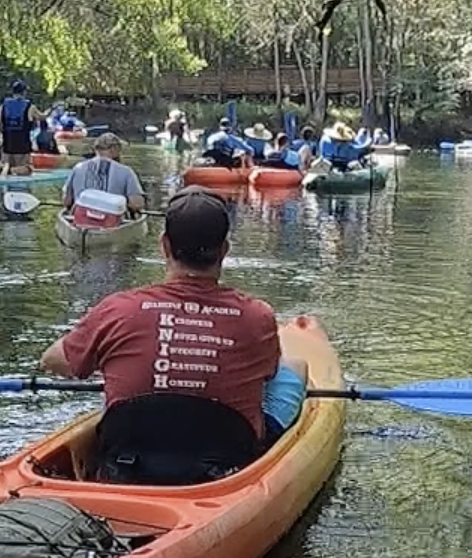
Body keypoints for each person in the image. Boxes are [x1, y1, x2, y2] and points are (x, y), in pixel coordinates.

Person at [40, 187, 307, 484]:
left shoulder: (117, 309)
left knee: (120, 382)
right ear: (225, 249)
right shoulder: (258, 317)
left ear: (164, 245)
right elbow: (268, 375)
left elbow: (53, 362)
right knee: (294, 368)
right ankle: (270, 451)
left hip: (129, 458)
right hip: (225, 462)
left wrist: (109, 358)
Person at [62, 132, 146, 221]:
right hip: (112, 222)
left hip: (80, 219)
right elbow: (137, 204)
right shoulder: (126, 171)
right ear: (114, 150)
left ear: (96, 149)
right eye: (120, 149)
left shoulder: (78, 167)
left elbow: (66, 201)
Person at [0, 81, 40, 175]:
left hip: (7, 141)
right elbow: (42, 117)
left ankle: (6, 170)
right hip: (23, 143)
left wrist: (3, 131)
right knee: (27, 169)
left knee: (6, 163)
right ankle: (13, 171)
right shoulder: (30, 107)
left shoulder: (4, 105)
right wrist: (51, 109)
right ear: (24, 92)